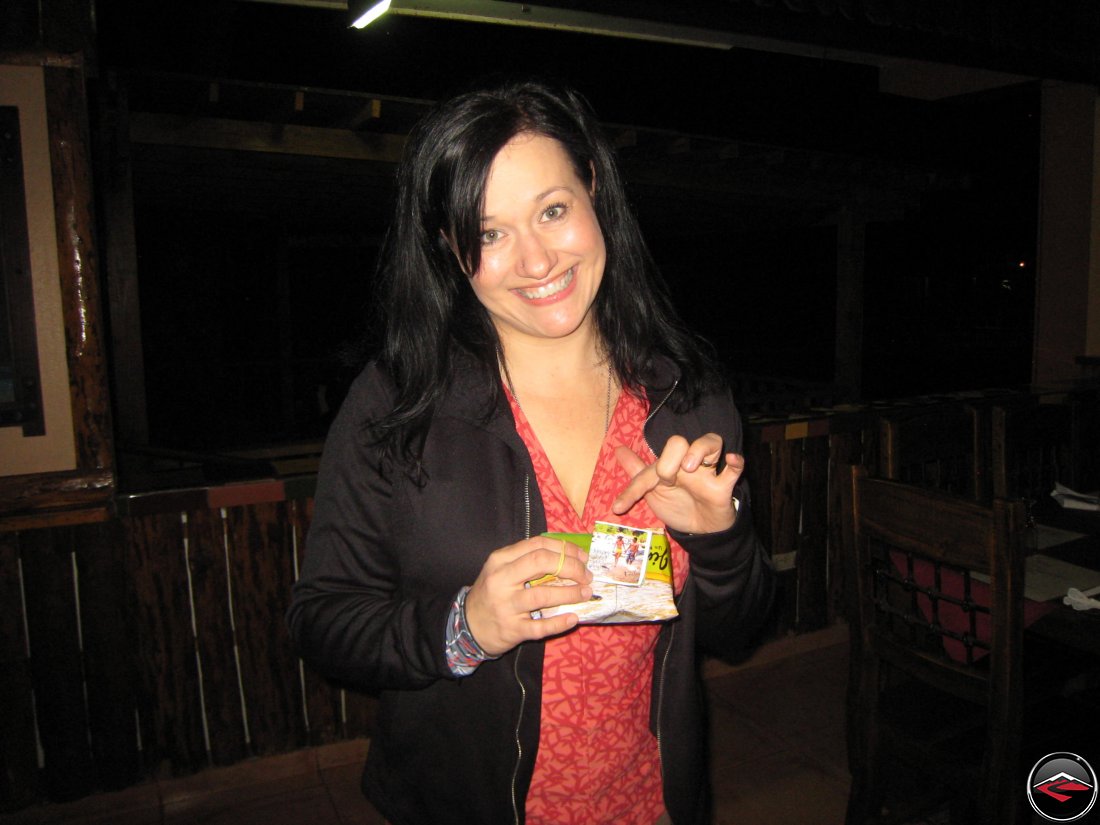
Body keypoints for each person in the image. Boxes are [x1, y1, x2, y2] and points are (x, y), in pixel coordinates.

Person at [287, 76, 775, 825]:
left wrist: (719, 537)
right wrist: (464, 625)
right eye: (489, 232)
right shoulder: (395, 401)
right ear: (451, 249)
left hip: (648, 803)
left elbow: (739, 629)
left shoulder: (689, 397)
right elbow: (323, 618)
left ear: (593, 194)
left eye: (553, 210)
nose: (536, 259)